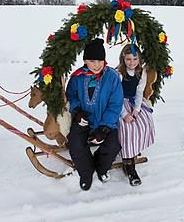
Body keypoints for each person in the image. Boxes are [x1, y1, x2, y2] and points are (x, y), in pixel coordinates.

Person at [66, 38, 123, 191]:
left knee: (114, 144)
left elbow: (115, 104)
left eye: (100, 61)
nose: (97, 65)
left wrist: (104, 127)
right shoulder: (77, 77)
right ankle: (86, 172)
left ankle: (101, 166)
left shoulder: (112, 77)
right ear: (85, 61)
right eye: (92, 61)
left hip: (105, 121)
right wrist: (77, 111)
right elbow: (71, 96)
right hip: (84, 120)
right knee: (75, 143)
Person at [116, 44, 155, 186]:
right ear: (123, 59)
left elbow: (139, 91)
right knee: (127, 126)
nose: (131, 63)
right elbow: (116, 96)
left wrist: (137, 109)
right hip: (119, 103)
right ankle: (128, 163)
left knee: (144, 120)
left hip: (133, 101)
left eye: (134, 59)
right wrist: (125, 113)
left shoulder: (141, 72)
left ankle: (135, 147)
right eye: (128, 59)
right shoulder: (119, 73)